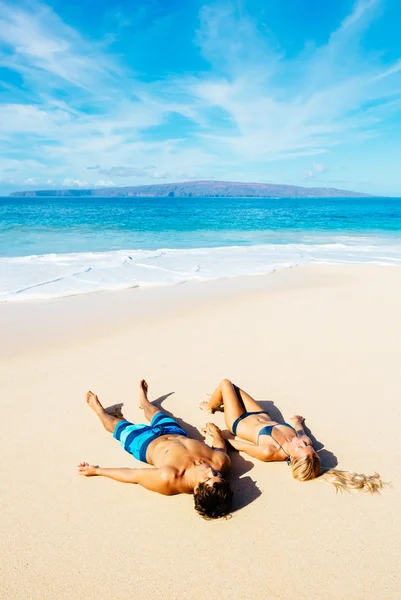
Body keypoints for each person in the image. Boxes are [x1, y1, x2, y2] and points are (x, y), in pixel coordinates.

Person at [78, 380, 232, 518]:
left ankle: (99, 411)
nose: (210, 471)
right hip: (174, 432)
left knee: (115, 425)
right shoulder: (219, 462)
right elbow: (220, 446)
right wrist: (216, 433)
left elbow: (134, 475)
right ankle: (144, 401)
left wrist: (97, 470)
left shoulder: (170, 478)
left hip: (143, 443)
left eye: (207, 478)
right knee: (155, 412)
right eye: (216, 474)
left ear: (197, 490)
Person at [200, 379, 385, 493]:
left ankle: (210, 406)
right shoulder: (304, 441)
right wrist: (296, 421)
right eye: (307, 445)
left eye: (300, 447)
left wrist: (218, 434)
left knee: (226, 384)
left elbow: (238, 445)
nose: (301, 442)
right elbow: (299, 431)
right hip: (261, 414)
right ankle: (221, 401)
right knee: (235, 389)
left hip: (238, 421)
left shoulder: (269, 450)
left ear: (293, 458)